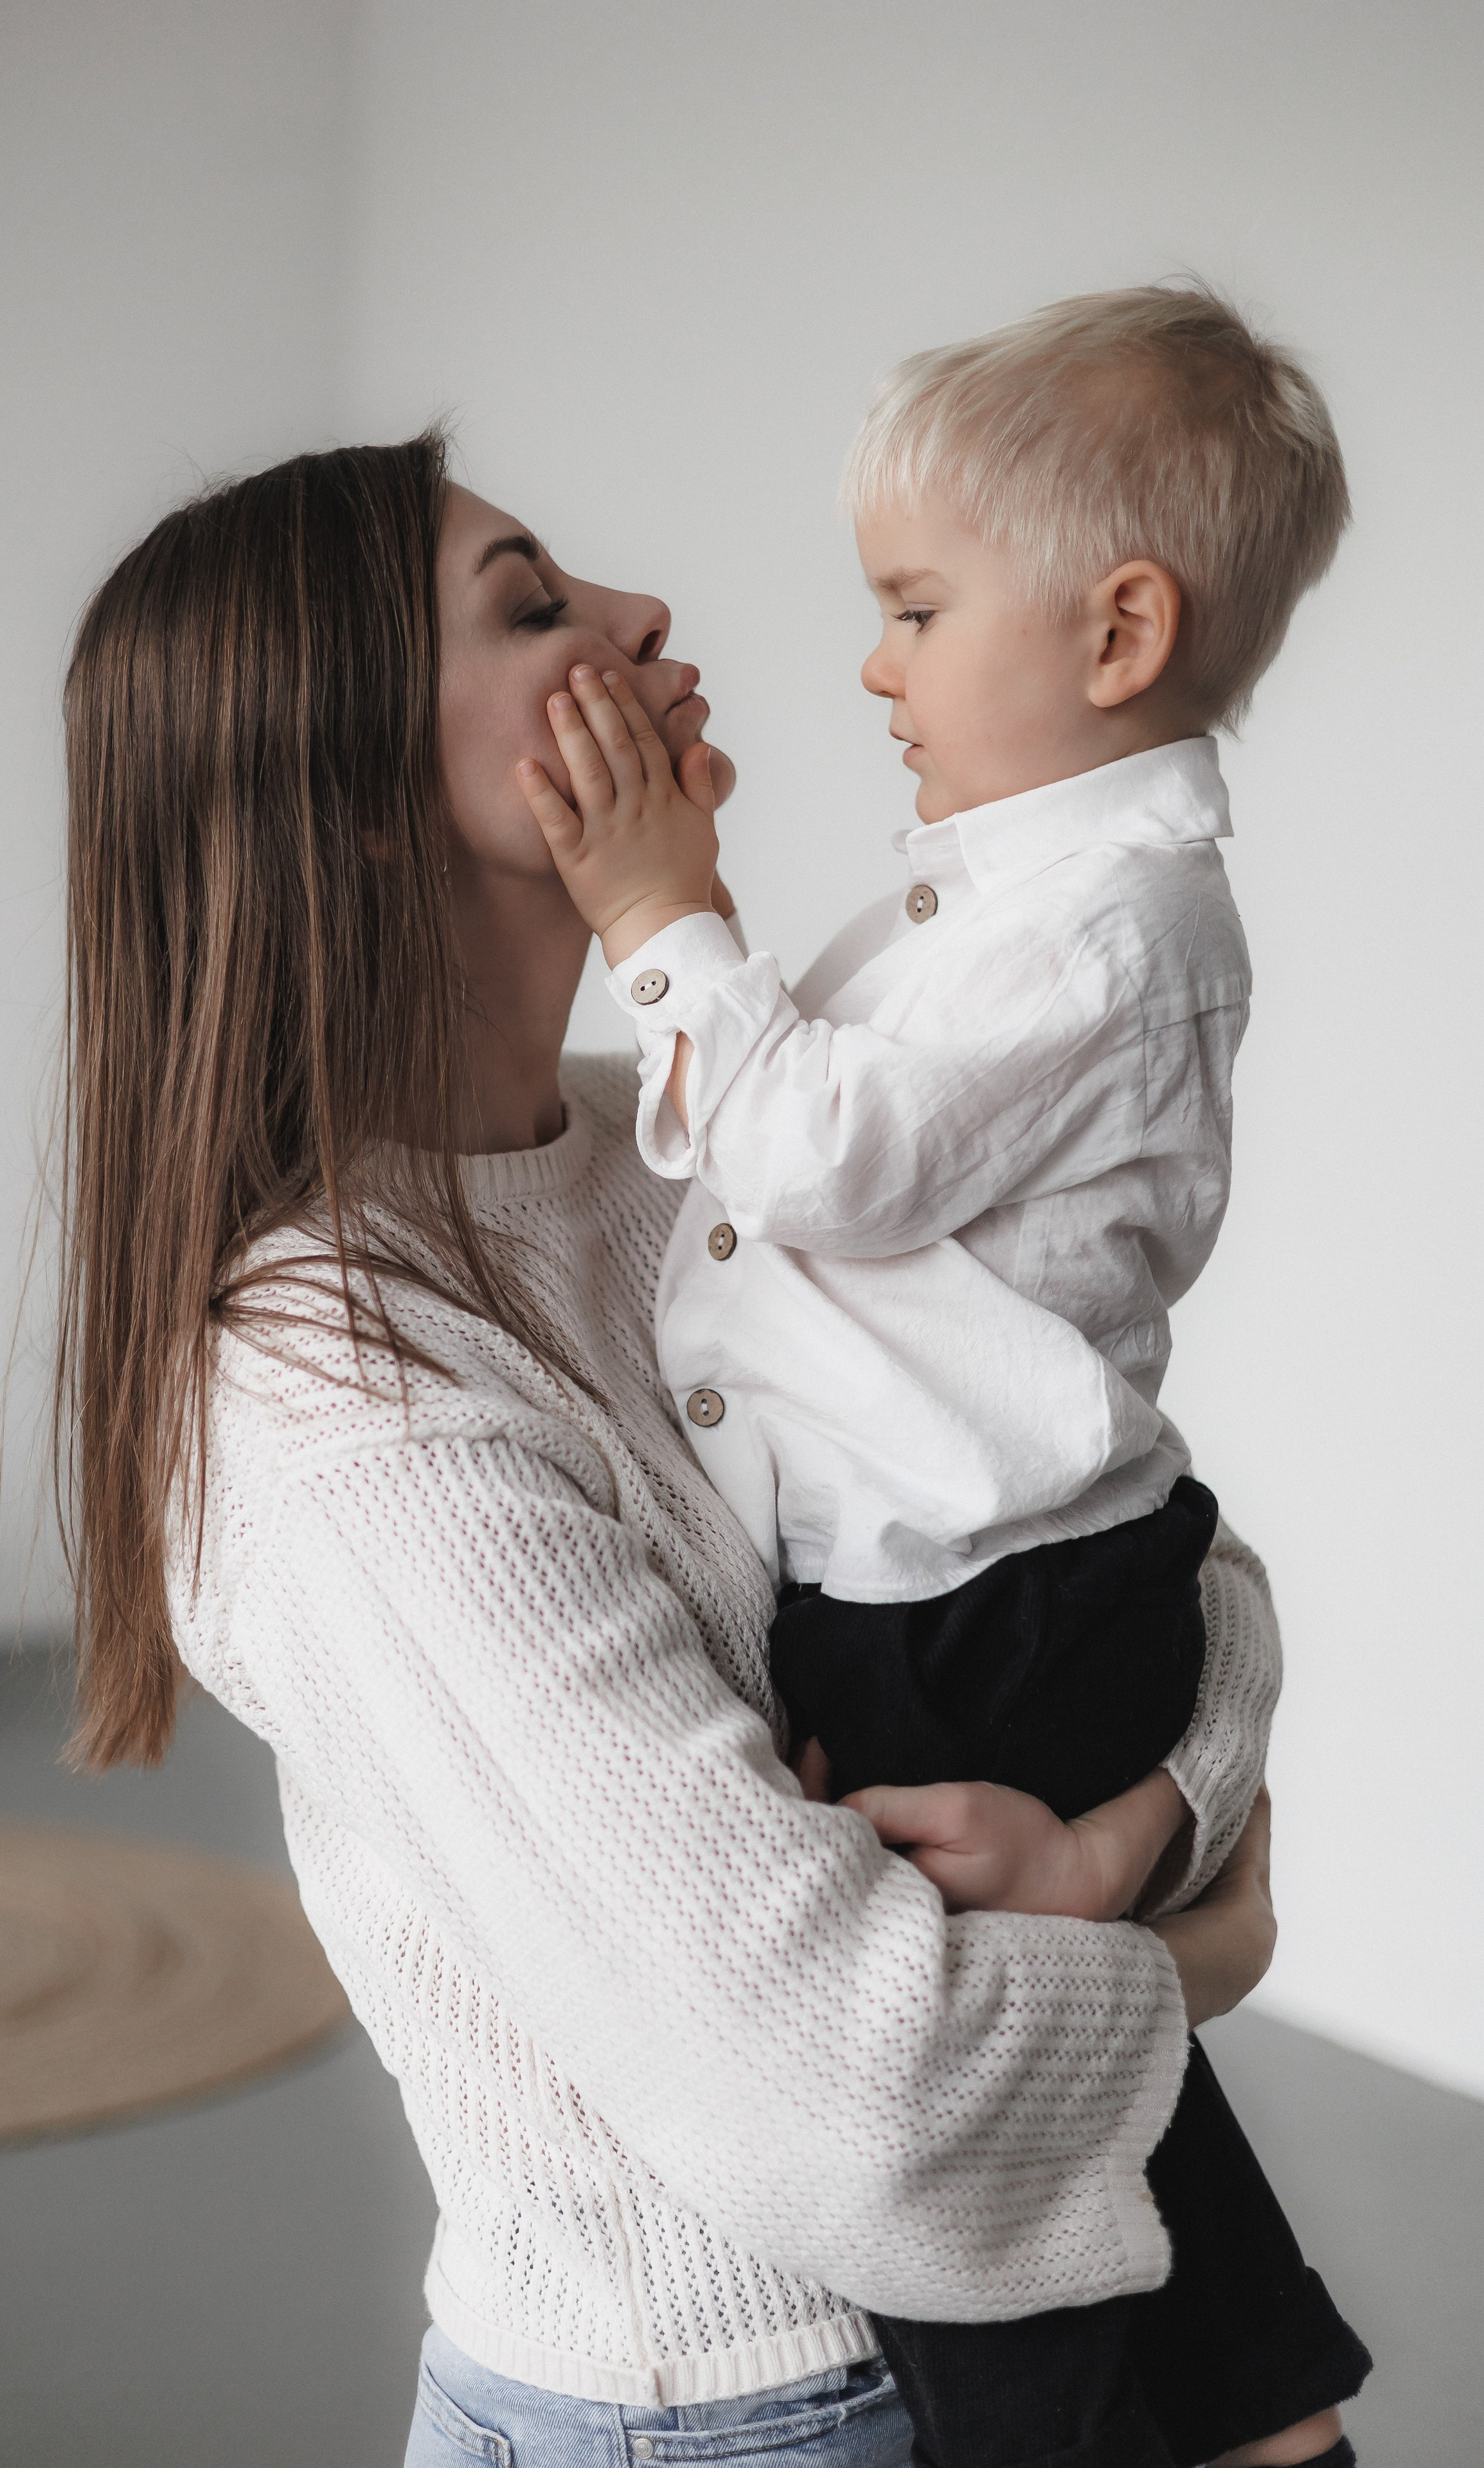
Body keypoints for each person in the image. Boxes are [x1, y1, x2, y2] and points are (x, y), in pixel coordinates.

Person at [57, 432, 1285, 2468]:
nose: (641, 619)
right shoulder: (344, 1406)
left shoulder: (702, 1157)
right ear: (356, 806)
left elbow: (1162, 1554)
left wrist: (1138, 1832)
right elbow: (861, 2098)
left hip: (1010, 2329)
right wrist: (1204, 1947)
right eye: (535, 609)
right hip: (738, 2413)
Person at [517, 287, 1368, 2467]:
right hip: (984, 1584)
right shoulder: (1030, 901)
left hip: (979, 1608)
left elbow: (824, 1155)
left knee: (971, 2165)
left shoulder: (1101, 926)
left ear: (1118, 631)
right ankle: (1269, 2418)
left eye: (912, 610)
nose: (874, 668)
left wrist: (661, 914)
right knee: (1100, 2088)